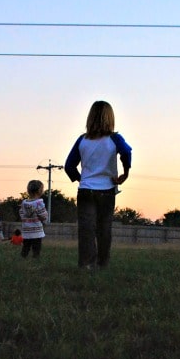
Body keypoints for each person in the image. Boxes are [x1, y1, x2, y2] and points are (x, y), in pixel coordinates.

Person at [65, 101, 132, 270]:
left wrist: (80, 179)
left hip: (86, 190)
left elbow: (69, 166)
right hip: (107, 190)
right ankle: (102, 264)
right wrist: (125, 172)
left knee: (86, 229)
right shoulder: (115, 138)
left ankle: (86, 264)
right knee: (104, 228)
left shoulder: (82, 140)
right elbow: (126, 151)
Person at [19, 180, 48, 258]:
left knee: (26, 246)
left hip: (26, 229)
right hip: (37, 230)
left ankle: (23, 258)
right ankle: (35, 259)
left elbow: (21, 214)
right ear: (39, 190)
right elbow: (43, 215)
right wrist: (44, 220)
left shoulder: (24, 203)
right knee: (36, 247)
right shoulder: (39, 203)